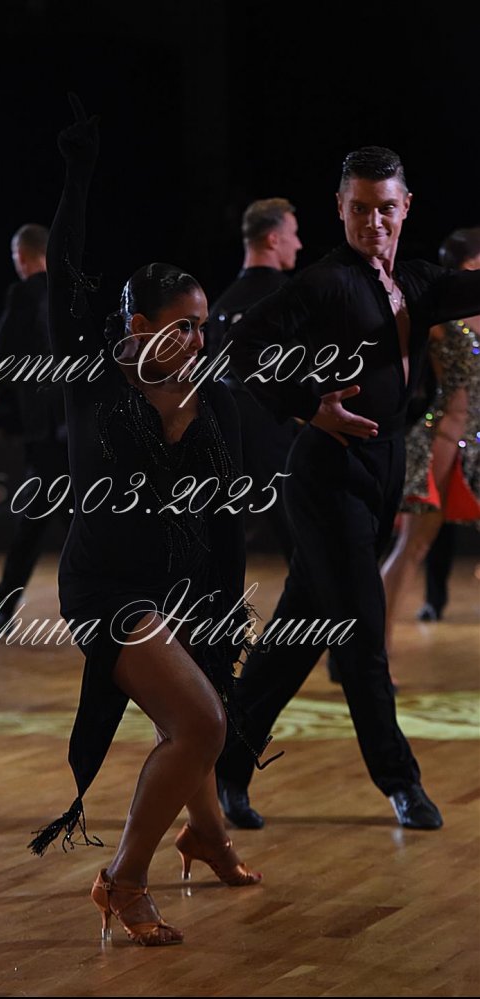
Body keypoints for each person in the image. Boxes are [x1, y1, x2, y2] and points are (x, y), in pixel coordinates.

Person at [28, 95, 267, 947]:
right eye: (183, 326)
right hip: (105, 586)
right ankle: (124, 879)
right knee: (199, 723)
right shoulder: (90, 380)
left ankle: (207, 836)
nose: (199, 340)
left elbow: (226, 518)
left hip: (183, 586)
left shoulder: (217, 403)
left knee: (196, 711)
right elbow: (63, 273)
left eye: (203, 327)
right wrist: (78, 178)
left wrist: (225, 614)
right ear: (138, 327)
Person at [215, 147, 480, 831]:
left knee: (296, 637)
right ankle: (401, 782)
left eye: (385, 208)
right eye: (359, 208)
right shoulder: (326, 282)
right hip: (326, 475)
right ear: (340, 208)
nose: (373, 221)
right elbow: (241, 348)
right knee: (361, 636)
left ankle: (225, 763)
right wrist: (308, 404)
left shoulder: (414, 283)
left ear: (406, 207)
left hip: (379, 475)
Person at [381, 227, 480, 651]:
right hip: (443, 436)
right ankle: (376, 647)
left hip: (474, 440)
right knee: (413, 546)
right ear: (471, 263)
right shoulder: (442, 314)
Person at [0, 224, 70, 639]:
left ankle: (2, 611)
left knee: (33, 525)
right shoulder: (72, 295)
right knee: (83, 522)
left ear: (21, 257)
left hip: (46, 434)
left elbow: (1, 355)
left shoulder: (23, 294)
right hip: (77, 430)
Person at [206, 199, 302, 569]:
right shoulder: (291, 299)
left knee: (219, 536)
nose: (299, 244)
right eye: (293, 234)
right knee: (297, 532)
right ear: (273, 239)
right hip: (273, 428)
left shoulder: (220, 306)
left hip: (222, 424)